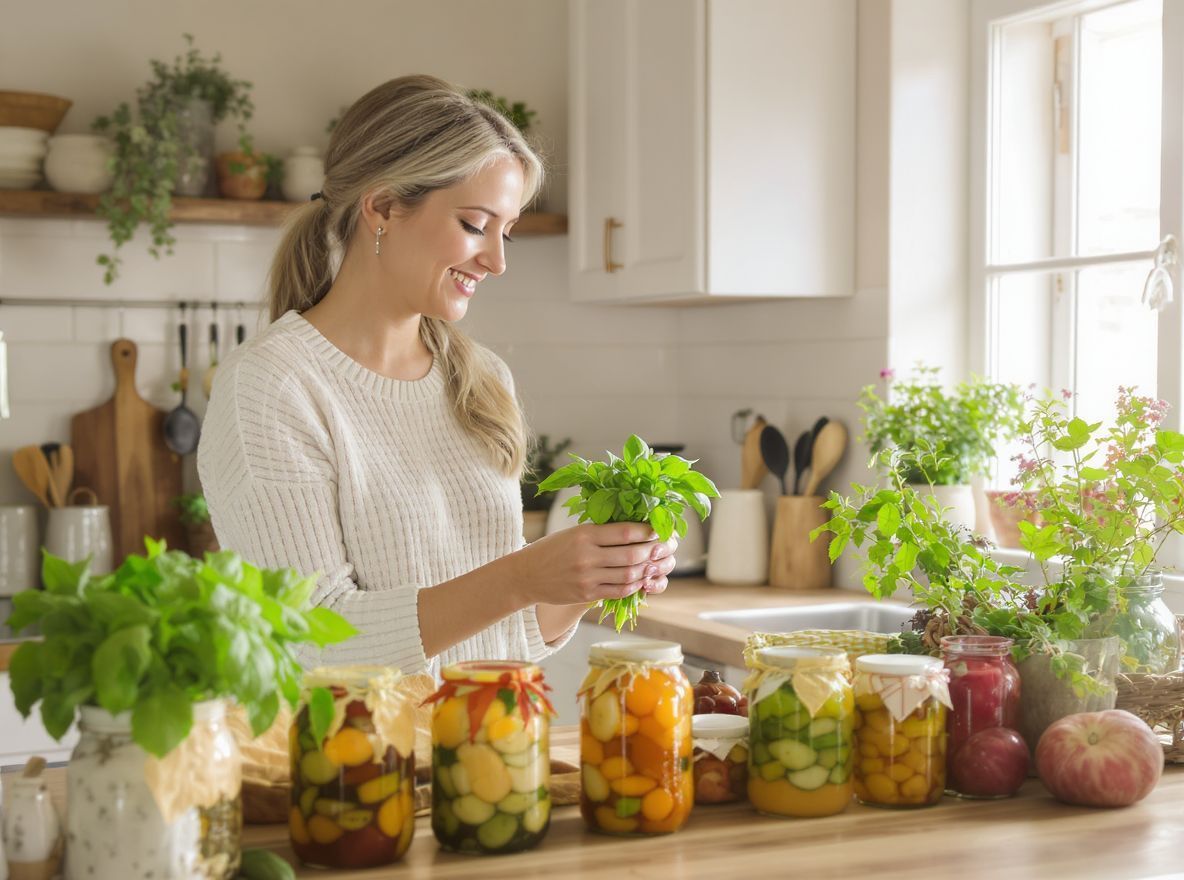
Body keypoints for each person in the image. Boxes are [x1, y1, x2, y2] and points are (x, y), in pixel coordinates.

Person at [198, 75, 677, 674]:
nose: (498, 261)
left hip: (493, 747)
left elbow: (502, 640)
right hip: (362, 762)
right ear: (383, 208)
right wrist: (522, 576)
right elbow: (310, 641)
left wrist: (583, 581)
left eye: (507, 232)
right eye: (476, 225)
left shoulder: (482, 379)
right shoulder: (273, 385)